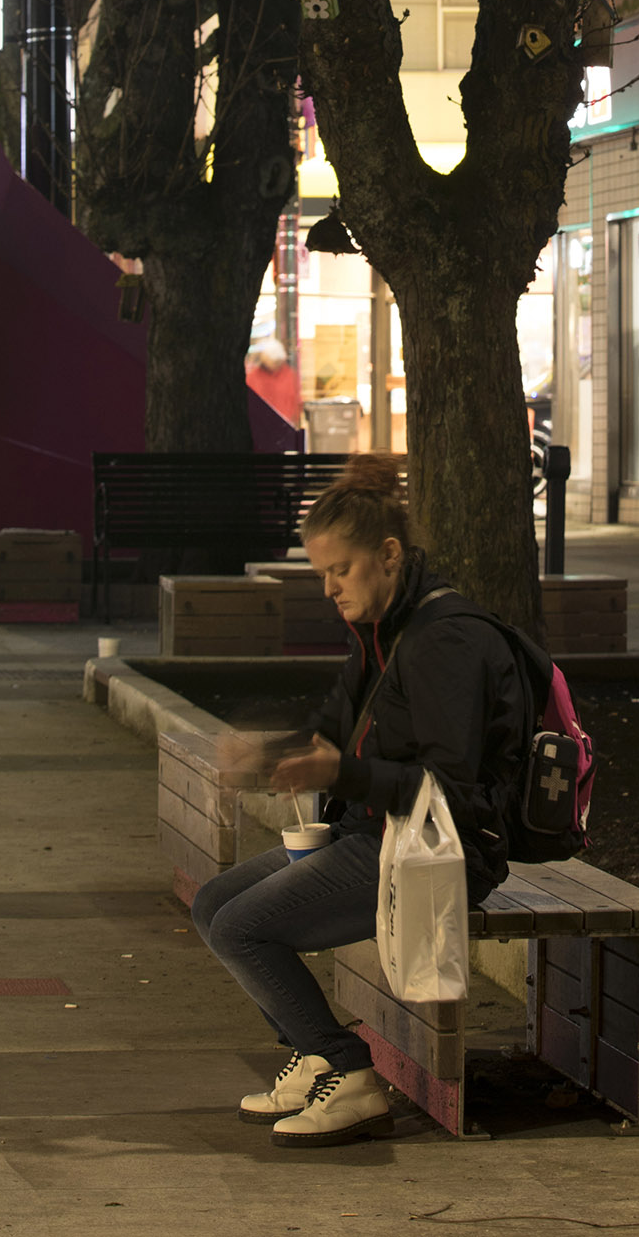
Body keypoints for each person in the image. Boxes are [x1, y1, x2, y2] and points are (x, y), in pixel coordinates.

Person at [192, 460, 534, 1150]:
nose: (328, 589)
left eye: (339, 570)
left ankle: (348, 1075)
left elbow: (452, 791)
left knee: (243, 929)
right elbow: (334, 727)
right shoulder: (384, 628)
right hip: (376, 834)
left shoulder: (444, 641)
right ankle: (316, 1054)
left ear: (388, 556)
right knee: (212, 906)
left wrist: (344, 775)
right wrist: (266, 755)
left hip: (440, 851)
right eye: (321, 573)